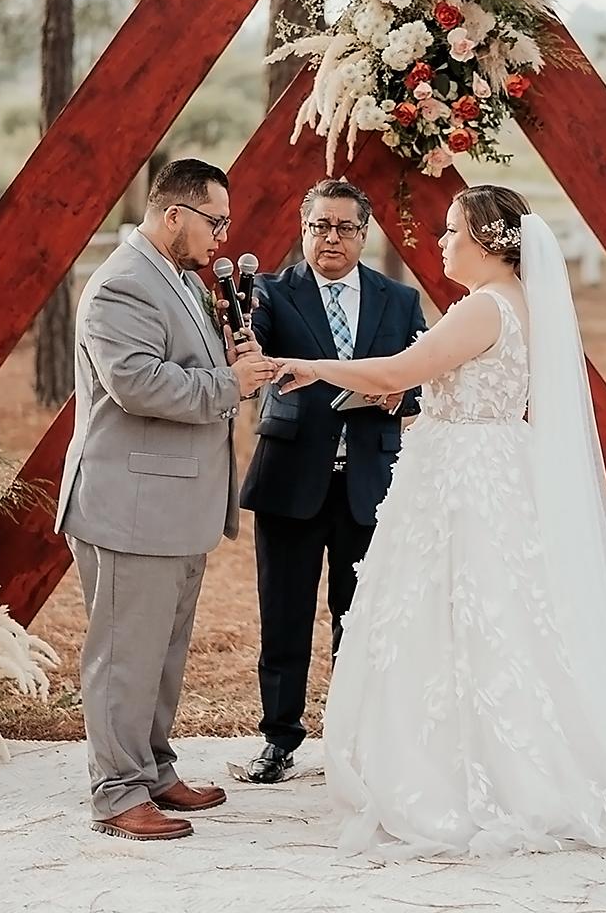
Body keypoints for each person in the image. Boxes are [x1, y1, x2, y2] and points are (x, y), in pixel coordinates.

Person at [273, 184, 606, 858]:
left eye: (452, 232)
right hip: (483, 466)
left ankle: (476, 774)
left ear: (488, 243)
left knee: (462, 616)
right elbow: (438, 378)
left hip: (463, 478)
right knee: (493, 618)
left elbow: (403, 366)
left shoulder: (482, 307)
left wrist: (311, 366)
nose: (442, 243)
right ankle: (497, 757)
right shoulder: (516, 305)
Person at [56, 158, 277, 841]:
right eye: (215, 222)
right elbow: (138, 384)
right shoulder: (122, 285)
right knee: (124, 656)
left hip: (174, 503)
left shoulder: (176, 277)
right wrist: (229, 383)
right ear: (172, 213)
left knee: (162, 653)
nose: (222, 235)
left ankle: (152, 770)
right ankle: (116, 794)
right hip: (130, 503)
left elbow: (191, 366)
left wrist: (235, 356)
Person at [239, 178, 427, 783]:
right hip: (291, 478)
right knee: (285, 617)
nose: (332, 238)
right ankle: (279, 739)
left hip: (371, 484)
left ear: (364, 234)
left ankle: (357, 741)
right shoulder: (269, 292)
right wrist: (240, 336)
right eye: (320, 226)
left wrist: (401, 394)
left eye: (345, 227)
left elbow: (425, 378)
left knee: (362, 619)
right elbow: (249, 348)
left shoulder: (397, 301)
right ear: (304, 229)